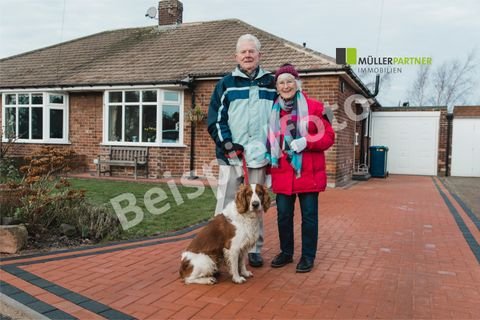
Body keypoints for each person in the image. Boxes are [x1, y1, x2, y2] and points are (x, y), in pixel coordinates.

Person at [207, 34, 276, 267]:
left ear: (259, 55)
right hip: (231, 156)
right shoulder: (225, 84)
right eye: (243, 52)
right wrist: (226, 143)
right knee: (226, 205)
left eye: (252, 51)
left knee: (255, 205)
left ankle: (253, 248)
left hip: (259, 157)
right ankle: (217, 246)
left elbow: (280, 117)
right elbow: (216, 119)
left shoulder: (271, 82)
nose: (248, 55)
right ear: (236, 56)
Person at [267, 64, 335, 273]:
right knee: (284, 216)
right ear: (277, 87)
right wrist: (269, 172)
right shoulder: (272, 112)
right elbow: (268, 142)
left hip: (308, 173)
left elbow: (328, 136)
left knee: (309, 216)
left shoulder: (314, 107)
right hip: (282, 174)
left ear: (297, 84)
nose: (286, 86)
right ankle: (286, 253)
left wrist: (307, 141)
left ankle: (307, 256)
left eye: (289, 82)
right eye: (281, 83)